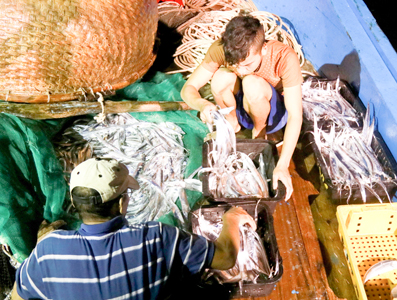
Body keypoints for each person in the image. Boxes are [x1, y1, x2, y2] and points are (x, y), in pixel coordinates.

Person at [12, 157, 256, 300]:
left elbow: (16, 297)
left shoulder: (47, 251)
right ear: (121, 203)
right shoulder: (156, 237)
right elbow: (225, 258)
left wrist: (45, 245)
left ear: (74, 203)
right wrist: (231, 219)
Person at [180, 15, 303, 200]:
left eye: (247, 64)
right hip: (244, 103)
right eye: (234, 64)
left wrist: (283, 165)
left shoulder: (285, 57)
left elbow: (295, 115)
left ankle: (260, 135)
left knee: (251, 82)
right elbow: (188, 89)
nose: (241, 70)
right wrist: (202, 104)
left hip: (273, 112)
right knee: (221, 77)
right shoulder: (221, 49)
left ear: (264, 49)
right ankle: (233, 125)